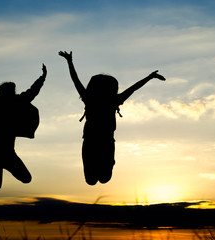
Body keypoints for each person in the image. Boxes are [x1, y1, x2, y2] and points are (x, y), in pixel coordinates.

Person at [59, 51, 165, 185]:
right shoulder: (111, 100)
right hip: (102, 143)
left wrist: (69, 61)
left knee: (95, 180)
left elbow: (75, 80)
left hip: (95, 143)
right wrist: (150, 77)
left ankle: (105, 164)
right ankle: (106, 164)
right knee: (100, 179)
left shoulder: (91, 99)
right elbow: (133, 88)